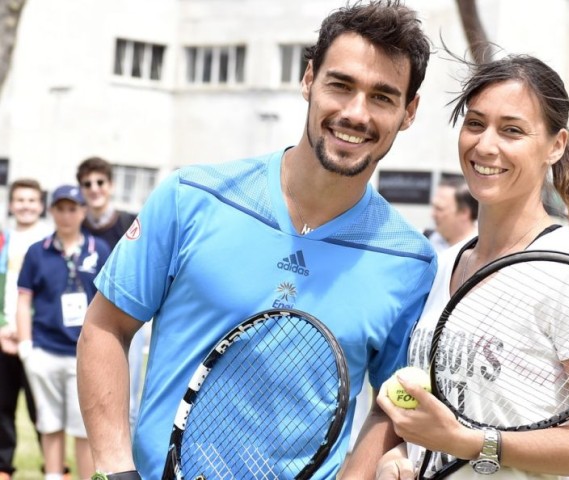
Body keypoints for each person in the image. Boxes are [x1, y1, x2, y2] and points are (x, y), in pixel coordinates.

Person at [76, 2, 435, 479]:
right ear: (309, 79)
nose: (355, 113)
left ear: (408, 112)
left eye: (382, 97)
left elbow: (392, 402)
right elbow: (106, 327)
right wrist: (115, 468)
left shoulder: (411, 261)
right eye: (340, 85)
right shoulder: (193, 197)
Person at [375, 54, 569, 479]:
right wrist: (397, 460)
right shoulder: (442, 265)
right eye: (475, 123)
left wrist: (473, 443)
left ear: (556, 146)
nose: (485, 145)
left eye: (512, 130)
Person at [17, 185, 111, 480]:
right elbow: (24, 299)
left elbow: (109, 301)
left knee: (82, 430)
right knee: (50, 425)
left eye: (73, 208)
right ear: (52, 211)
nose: (67, 215)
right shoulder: (37, 252)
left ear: (83, 211)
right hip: (45, 350)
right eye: (61, 208)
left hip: (84, 354)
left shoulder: (100, 251)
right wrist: (25, 344)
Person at [75, 157, 145, 430]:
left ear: (111, 186)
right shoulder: (77, 227)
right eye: (87, 183)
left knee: (128, 394)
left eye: (100, 182)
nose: (94, 188)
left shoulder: (130, 223)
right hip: (85, 318)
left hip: (126, 316)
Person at [0, 179, 51, 480]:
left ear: (41, 205)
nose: (26, 206)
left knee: (41, 410)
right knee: (2, 407)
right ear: (11, 204)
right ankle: (3, 467)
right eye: (20, 200)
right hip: (3, 338)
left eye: (32, 200)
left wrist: (27, 332)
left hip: (38, 340)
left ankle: (54, 466)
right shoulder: (3, 240)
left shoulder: (49, 242)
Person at [426, 177, 478, 253]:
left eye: (439, 209)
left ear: (464, 212)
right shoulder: (426, 241)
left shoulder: (481, 250)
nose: (433, 214)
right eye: (434, 207)